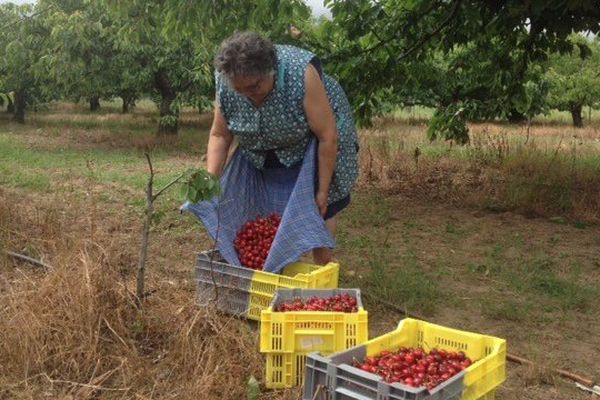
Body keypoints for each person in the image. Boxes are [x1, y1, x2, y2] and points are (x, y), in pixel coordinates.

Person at [206, 31, 358, 265]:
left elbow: (327, 136)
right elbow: (219, 134)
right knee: (269, 202)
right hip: (265, 143)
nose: (248, 96)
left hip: (322, 132)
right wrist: (210, 182)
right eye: (240, 90)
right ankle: (275, 261)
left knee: (321, 208)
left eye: (254, 87)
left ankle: (322, 268)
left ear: (271, 71)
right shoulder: (227, 81)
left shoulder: (301, 74)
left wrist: (323, 192)